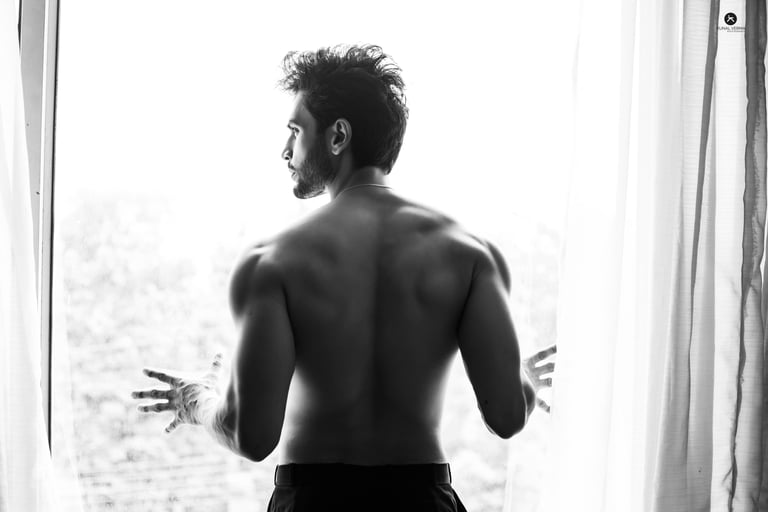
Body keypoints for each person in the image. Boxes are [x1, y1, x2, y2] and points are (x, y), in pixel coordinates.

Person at [132, 44, 556, 512]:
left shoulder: (271, 262)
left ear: (338, 136)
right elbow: (507, 416)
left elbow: (251, 436)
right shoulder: (472, 255)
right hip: (421, 502)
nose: (285, 150)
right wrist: (522, 381)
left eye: (296, 131)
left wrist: (197, 400)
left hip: (313, 502)